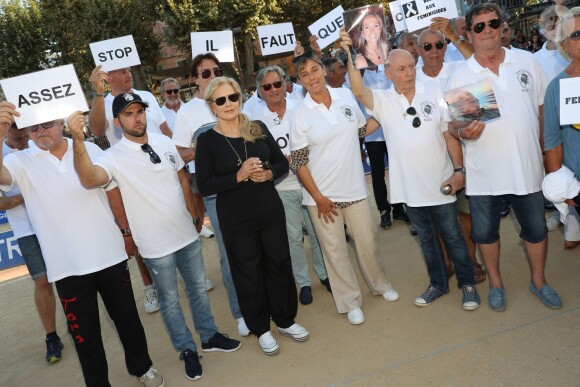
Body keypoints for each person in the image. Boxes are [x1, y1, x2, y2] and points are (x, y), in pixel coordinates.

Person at [70, 92, 242, 381]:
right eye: (128, 114)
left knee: (198, 288)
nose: (136, 118)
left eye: (139, 111)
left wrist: (194, 215)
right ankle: (187, 349)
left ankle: (209, 336)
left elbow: (182, 180)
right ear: (117, 121)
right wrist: (77, 140)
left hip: (185, 233)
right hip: (154, 244)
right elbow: (89, 180)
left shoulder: (163, 142)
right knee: (170, 300)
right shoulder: (112, 157)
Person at [0, 106, 163, 387]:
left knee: (128, 321)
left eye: (47, 124)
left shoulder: (91, 149)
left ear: (61, 121)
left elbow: (108, 189)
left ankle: (142, 367)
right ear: (25, 130)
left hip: (109, 255)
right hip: (67, 268)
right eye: (33, 128)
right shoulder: (20, 161)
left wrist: (125, 233)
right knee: (84, 337)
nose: (40, 132)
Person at [344, 24, 481, 310]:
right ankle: (438, 284)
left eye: (411, 65)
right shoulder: (381, 100)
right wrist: (348, 51)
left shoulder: (435, 90)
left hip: (440, 181)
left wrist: (459, 171)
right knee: (427, 241)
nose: (409, 72)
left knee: (454, 236)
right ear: (389, 73)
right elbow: (357, 88)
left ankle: (468, 284)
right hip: (410, 187)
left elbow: (448, 133)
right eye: (402, 69)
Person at [446, 3, 561, 311]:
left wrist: (548, 157)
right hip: (485, 173)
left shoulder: (525, 60)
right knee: (485, 233)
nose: (488, 31)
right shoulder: (460, 72)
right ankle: (496, 285)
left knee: (536, 230)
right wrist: (462, 132)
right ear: (468, 34)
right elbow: (454, 125)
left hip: (527, 168)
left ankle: (539, 281)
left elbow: (541, 111)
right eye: (479, 27)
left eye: (493, 23)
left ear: (501, 26)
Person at [196, 76, 309, 356]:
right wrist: (238, 175)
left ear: (240, 98)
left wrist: (270, 172)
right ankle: (261, 328)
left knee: (279, 262)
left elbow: (282, 162)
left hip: (268, 208)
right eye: (220, 100)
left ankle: (284, 320)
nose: (228, 104)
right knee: (248, 271)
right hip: (236, 217)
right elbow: (204, 185)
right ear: (212, 106)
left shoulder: (257, 128)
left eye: (232, 97)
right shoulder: (207, 140)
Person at [289, 54, 399, 325]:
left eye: (315, 70)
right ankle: (349, 301)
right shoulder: (299, 114)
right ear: (300, 80)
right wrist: (318, 198)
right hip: (322, 198)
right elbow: (299, 162)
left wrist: (386, 114)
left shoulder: (346, 97)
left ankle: (380, 285)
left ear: (324, 71)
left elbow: (360, 132)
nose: (312, 77)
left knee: (368, 242)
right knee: (335, 251)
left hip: (355, 189)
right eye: (304, 74)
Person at [172, 53, 249, 336]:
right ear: (194, 79)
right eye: (205, 73)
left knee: (254, 245)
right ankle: (240, 312)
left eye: (217, 70)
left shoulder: (232, 97)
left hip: (248, 186)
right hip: (217, 195)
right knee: (230, 254)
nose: (212, 76)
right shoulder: (188, 112)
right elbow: (179, 152)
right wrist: (206, 149)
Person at [244, 65, 331, 305]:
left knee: (317, 233)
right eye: (267, 86)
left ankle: (324, 275)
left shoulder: (302, 108)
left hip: (310, 183)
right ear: (260, 92)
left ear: (285, 84)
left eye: (277, 84)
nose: (273, 90)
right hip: (283, 187)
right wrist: (280, 162)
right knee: (293, 237)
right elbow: (256, 155)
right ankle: (303, 282)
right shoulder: (255, 122)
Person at [416, 29, 487, 284]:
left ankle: (471, 260)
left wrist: (454, 35)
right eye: (427, 46)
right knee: (438, 215)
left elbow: (479, 56)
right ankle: (446, 261)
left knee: (465, 214)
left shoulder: (459, 70)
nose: (434, 50)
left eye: (439, 44)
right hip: (429, 159)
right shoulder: (410, 78)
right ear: (418, 50)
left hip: (463, 153)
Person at [87, 66, 161, 314]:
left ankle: (185, 277)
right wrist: (98, 94)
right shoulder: (104, 101)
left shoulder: (147, 97)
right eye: (122, 72)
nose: (128, 75)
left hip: (157, 168)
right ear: (110, 77)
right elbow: (97, 130)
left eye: (130, 70)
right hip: (127, 177)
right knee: (137, 234)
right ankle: (150, 286)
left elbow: (164, 131)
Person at [0, 124, 64, 364]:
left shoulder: (39, 146)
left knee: (70, 275)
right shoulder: (3, 157)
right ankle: (52, 336)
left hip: (54, 222)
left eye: (27, 135)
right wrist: (29, 194)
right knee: (42, 280)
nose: (25, 140)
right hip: (27, 230)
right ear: (7, 133)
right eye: (18, 137)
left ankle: (78, 327)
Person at [159, 76, 215, 239]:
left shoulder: (191, 108)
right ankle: (187, 226)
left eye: (176, 90)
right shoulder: (160, 115)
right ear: (163, 94)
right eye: (169, 91)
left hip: (196, 161)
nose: (173, 94)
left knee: (198, 194)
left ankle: (201, 226)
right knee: (181, 195)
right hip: (174, 162)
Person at [543, 6, 580, 250]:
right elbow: (553, 141)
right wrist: (566, 191)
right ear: (564, 45)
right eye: (576, 35)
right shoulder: (556, 88)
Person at [536, 5, 573, 232]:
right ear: (541, 25)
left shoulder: (571, 51)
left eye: (559, 20)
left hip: (573, 122)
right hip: (551, 123)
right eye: (550, 20)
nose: (554, 24)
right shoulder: (534, 59)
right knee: (556, 170)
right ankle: (562, 216)